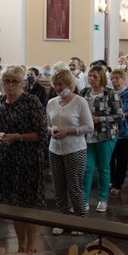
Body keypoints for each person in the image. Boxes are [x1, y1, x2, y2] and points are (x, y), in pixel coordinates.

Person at [0, 65, 49, 254]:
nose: (10, 84)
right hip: (6, 161)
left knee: (28, 204)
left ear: (22, 83)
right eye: (6, 80)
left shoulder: (31, 102)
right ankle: (21, 245)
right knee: (14, 205)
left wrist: (17, 137)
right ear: (1, 82)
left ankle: (31, 245)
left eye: (15, 81)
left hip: (28, 161)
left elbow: (41, 133)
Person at [46, 68, 94, 235]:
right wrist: (51, 130)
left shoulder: (80, 102)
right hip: (55, 149)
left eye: (61, 84)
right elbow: (47, 124)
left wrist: (68, 131)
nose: (59, 88)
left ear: (70, 84)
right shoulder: (51, 102)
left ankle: (80, 220)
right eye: (56, 85)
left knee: (74, 187)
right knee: (58, 187)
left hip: (75, 149)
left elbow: (89, 126)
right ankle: (63, 218)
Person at [79, 65, 122, 212]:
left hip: (105, 135)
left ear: (102, 78)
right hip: (87, 136)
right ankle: (83, 200)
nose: (91, 79)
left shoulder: (110, 94)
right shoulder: (84, 92)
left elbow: (119, 115)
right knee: (87, 169)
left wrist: (100, 119)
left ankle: (103, 199)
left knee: (103, 168)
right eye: (90, 76)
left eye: (95, 77)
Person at [109, 68, 128, 194]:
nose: (114, 81)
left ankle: (118, 184)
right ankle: (111, 180)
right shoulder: (109, 93)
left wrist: (124, 114)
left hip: (126, 131)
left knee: (122, 160)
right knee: (110, 158)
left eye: (117, 78)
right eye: (112, 78)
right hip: (111, 131)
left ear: (123, 79)